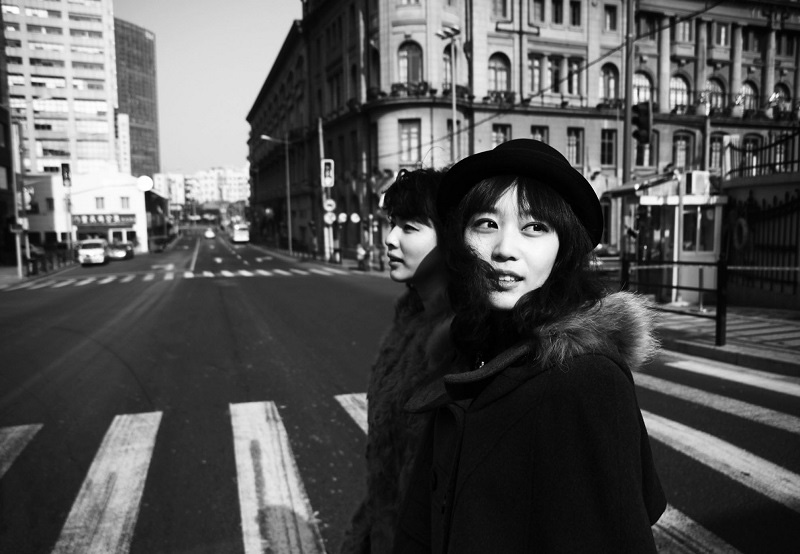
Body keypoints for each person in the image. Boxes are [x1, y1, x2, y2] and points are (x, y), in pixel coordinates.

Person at [392, 139, 667, 553]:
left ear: (564, 249)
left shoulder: (587, 379)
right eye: (486, 223)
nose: (504, 248)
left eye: (535, 227)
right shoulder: (469, 349)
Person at [340, 167, 452, 554]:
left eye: (410, 227)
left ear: (451, 239)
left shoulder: (460, 341)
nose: (389, 239)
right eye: (392, 224)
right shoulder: (409, 322)